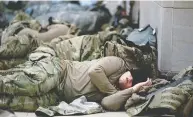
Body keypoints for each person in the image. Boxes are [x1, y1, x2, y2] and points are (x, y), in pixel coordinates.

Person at [0, 55, 151, 111]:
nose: (128, 80)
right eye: (131, 76)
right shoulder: (118, 63)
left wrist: (131, 91)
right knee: (32, 86)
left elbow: (107, 104)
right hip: (60, 72)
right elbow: (95, 71)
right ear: (129, 70)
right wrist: (114, 92)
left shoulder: (121, 92)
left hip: (58, 95)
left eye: (132, 83)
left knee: (20, 103)